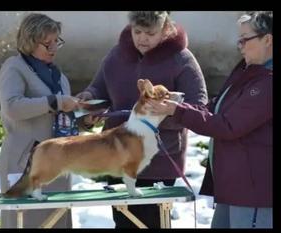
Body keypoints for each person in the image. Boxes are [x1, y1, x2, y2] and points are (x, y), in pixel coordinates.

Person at [77, 11, 208, 228]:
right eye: (137, 32)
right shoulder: (116, 55)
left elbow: (199, 107)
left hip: (159, 161)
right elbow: (98, 89)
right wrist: (88, 105)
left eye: (150, 33)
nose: (142, 38)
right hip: (116, 157)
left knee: (152, 223)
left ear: (165, 30)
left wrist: (170, 110)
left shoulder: (182, 59)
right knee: (124, 223)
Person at [146, 11, 273, 228]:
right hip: (234, 188)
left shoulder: (267, 82)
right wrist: (175, 105)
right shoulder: (246, 72)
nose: (239, 45)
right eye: (238, 39)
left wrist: (177, 111)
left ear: (268, 39)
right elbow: (213, 110)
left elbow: (228, 125)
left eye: (245, 39)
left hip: (255, 194)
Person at [0, 13, 80, 228]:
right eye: (47, 43)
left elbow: (61, 115)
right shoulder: (14, 67)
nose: (53, 48)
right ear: (30, 42)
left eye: (57, 41)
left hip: (58, 163)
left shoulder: (58, 76)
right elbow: (12, 107)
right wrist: (55, 101)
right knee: (27, 221)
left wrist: (84, 118)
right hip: (25, 162)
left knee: (57, 221)